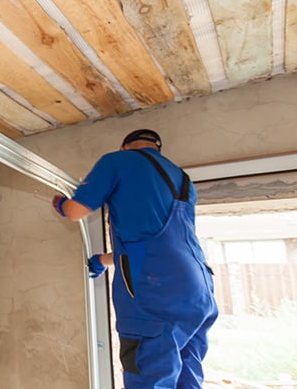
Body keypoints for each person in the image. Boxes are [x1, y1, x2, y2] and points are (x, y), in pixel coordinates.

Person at [51, 129, 218, 388]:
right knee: (187, 379)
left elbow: (75, 212)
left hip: (156, 299)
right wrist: (103, 261)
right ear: (157, 149)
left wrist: (60, 203)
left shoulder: (116, 162)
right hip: (199, 293)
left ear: (123, 147)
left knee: (148, 377)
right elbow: (156, 245)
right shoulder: (182, 179)